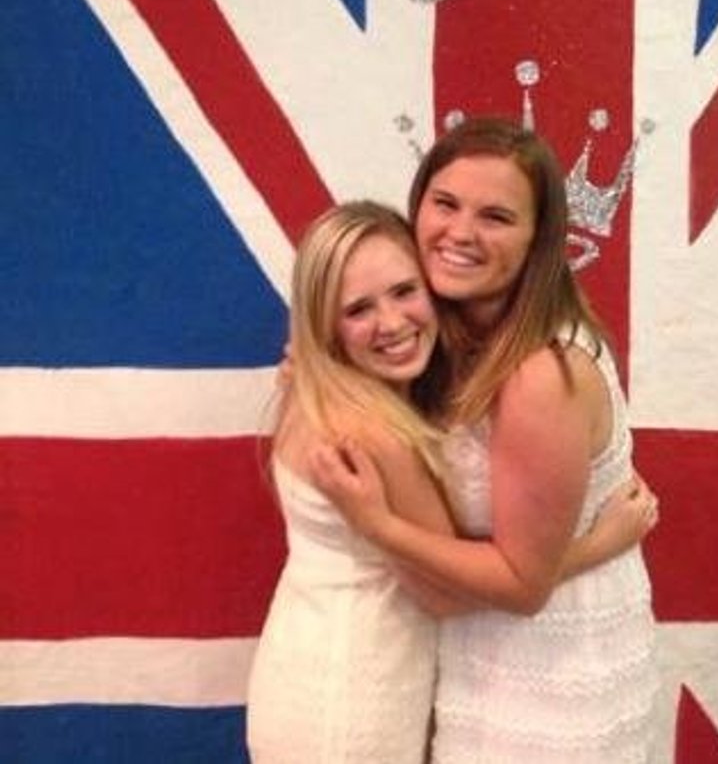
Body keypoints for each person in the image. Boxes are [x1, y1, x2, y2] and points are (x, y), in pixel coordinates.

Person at [246, 200, 655, 763]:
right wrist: (601, 543)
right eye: (358, 309)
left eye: (404, 291)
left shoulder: (315, 389)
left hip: (302, 672)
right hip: (356, 701)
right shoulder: (376, 433)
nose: (392, 322)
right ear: (325, 325)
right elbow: (449, 594)